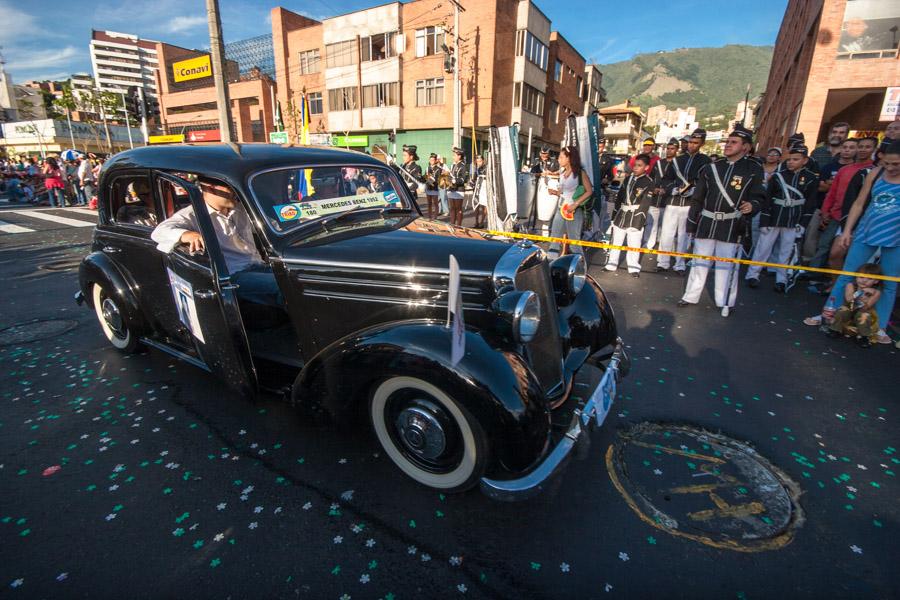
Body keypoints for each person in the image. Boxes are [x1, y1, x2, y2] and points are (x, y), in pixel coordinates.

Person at [806, 141, 900, 345]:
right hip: (866, 231)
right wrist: (847, 230)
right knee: (847, 275)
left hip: (896, 237)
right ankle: (829, 314)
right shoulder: (875, 174)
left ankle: (879, 326)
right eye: (887, 163)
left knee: (890, 283)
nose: (891, 168)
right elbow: (859, 203)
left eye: (896, 164)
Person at [151, 177, 281, 307]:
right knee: (283, 287)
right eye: (229, 187)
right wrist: (187, 234)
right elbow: (159, 232)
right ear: (209, 187)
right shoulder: (191, 215)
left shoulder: (241, 209)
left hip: (260, 265)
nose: (235, 192)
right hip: (233, 275)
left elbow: (270, 227)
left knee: (295, 278)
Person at [679, 124, 765, 316]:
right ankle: (691, 295)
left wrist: (753, 205)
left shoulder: (753, 170)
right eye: (727, 141)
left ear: (746, 147)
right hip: (707, 223)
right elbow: (698, 198)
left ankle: (724, 301)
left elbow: (759, 196)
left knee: (726, 266)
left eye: (733, 142)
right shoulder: (712, 168)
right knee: (699, 263)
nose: (727, 145)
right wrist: (692, 223)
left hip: (732, 225)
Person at [745, 145, 818, 292]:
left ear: (805, 160)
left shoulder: (811, 178)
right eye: (790, 159)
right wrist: (764, 221)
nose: (791, 162)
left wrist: (802, 224)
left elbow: (810, 204)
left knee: (786, 252)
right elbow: (767, 200)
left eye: (796, 159)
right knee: (762, 248)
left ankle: (781, 279)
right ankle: (752, 274)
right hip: (774, 217)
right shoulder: (779, 176)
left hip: (793, 220)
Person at [812, 137, 877, 269]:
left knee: (842, 252)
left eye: (867, 147)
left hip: (856, 219)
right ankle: (815, 273)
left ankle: (841, 283)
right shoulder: (844, 170)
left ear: (874, 150)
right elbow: (832, 192)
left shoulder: (874, 171)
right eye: (861, 146)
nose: (863, 150)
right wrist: (825, 211)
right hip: (835, 215)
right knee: (824, 246)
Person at [658, 128, 711, 273]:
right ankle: (663, 262)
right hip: (673, 201)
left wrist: (696, 191)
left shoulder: (705, 161)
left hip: (689, 204)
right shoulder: (677, 160)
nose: (692, 145)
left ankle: (679, 264)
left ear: (702, 143)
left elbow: (705, 182)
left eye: (696, 143)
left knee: (683, 235)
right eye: (690, 142)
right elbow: (666, 179)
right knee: (667, 233)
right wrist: (672, 189)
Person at [606, 153, 654, 276]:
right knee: (616, 241)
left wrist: (640, 219)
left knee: (634, 243)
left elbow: (645, 203)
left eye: (639, 165)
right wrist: (614, 215)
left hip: (636, 215)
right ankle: (611, 264)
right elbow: (620, 197)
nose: (635, 168)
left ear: (646, 167)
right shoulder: (628, 179)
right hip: (622, 214)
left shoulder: (648, 182)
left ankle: (633, 267)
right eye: (635, 165)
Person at [547, 146, 594, 259]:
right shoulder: (562, 174)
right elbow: (564, 193)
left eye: (561, 157)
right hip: (561, 209)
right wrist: (555, 192)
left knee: (574, 242)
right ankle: (550, 264)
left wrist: (575, 204)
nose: (559, 159)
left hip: (574, 211)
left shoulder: (579, 173)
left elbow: (589, 191)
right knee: (554, 238)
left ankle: (579, 269)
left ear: (569, 158)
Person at [825, 263, 882, 348]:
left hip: (863, 311)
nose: (864, 280)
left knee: (864, 316)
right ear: (856, 276)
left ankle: (863, 336)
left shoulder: (876, 292)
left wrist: (868, 297)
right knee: (841, 311)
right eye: (861, 277)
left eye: (869, 278)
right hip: (849, 308)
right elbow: (848, 299)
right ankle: (835, 329)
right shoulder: (851, 285)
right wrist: (860, 292)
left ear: (876, 281)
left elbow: (867, 307)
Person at [644, 138, 677, 250]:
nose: (669, 151)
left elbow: (678, 182)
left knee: (666, 227)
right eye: (668, 148)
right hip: (655, 199)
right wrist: (654, 189)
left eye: (672, 149)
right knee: (651, 224)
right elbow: (651, 178)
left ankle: (663, 247)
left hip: (668, 200)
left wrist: (667, 190)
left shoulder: (678, 164)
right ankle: (648, 244)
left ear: (677, 149)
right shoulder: (659, 163)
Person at [447, 147, 468, 227]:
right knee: (452, 208)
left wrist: (454, 180)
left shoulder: (463, 166)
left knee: (458, 209)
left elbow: (464, 179)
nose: (453, 157)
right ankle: (452, 224)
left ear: (459, 156)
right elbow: (451, 176)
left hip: (459, 190)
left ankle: (458, 226)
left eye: (454, 155)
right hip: (451, 189)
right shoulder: (453, 165)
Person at [424, 153, 441, 219]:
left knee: (435, 203)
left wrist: (432, 180)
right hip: (428, 187)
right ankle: (429, 216)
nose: (431, 161)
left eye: (433, 160)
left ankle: (435, 217)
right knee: (429, 203)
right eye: (430, 160)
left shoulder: (438, 169)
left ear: (436, 160)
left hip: (434, 187)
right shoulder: (427, 168)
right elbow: (425, 176)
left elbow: (439, 179)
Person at [473, 155, 487, 228]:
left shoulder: (486, 168)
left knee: (484, 205)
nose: (478, 163)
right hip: (477, 188)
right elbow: (475, 178)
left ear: (483, 161)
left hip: (484, 188)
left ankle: (482, 222)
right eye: (477, 161)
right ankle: (476, 221)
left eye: (480, 161)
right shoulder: (476, 168)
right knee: (476, 205)